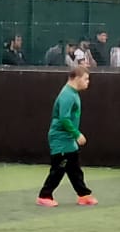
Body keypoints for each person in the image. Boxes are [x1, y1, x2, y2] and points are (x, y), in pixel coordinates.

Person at [37, 62, 96, 208]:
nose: (88, 82)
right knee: (59, 169)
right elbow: (64, 118)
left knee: (74, 169)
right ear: (76, 78)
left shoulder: (73, 93)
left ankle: (83, 195)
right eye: (86, 79)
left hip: (68, 139)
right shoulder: (67, 95)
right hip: (61, 139)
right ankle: (44, 196)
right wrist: (77, 134)